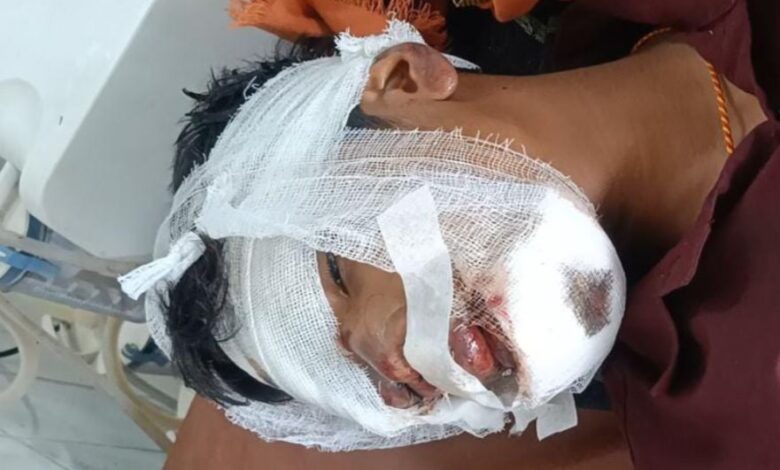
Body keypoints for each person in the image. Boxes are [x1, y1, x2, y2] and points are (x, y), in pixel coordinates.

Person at [133, 0, 779, 467]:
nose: (399, 372)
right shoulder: (722, 429)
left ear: (406, 82)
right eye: (367, 384)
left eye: (337, 271)